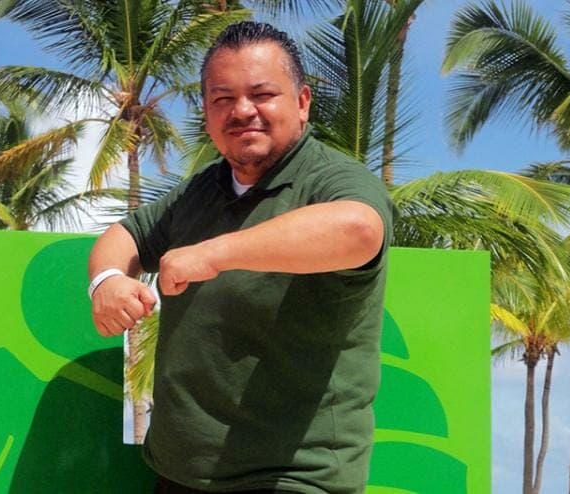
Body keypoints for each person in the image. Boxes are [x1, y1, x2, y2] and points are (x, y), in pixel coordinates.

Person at [88, 22, 394, 494]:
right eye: (223, 98)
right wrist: (107, 281)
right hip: (179, 473)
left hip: (294, 477)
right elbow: (125, 235)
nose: (242, 110)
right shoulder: (200, 189)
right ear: (207, 112)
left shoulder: (332, 178)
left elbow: (359, 230)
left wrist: (215, 254)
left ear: (302, 102)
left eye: (262, 94)